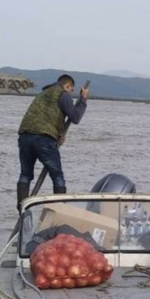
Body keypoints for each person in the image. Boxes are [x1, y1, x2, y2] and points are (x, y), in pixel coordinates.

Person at [16, 74, 89, 209]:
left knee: (25, 174)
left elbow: (48, 115)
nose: (70, 93)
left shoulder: (43, 93)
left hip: (25, 136)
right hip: (43, 139)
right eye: (70, 90)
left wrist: (59, 133)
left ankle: (22, 208)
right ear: (67, 86)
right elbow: (75, 117)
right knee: (57, 176)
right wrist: (83, 98)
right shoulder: (63, 94)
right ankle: (60, 209)